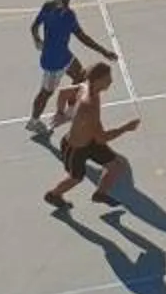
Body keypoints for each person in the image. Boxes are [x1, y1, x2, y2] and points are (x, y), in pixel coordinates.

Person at [27, 0, 119, 136]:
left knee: (80, 74)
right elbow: (82, 37)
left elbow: (34, 26)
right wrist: (104, 52)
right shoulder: (68, 15)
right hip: (54, 62)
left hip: (63, 55)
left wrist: (37, 41)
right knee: (46, 93)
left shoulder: (48, 6)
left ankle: (69, 110)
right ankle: (34, 121)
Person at [43, 61, 140, 209]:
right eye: (108, 79)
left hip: (90, 142)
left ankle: (100, 194)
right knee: (76, 178)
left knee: (115, 166)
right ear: (98, 80)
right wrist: (126, 128)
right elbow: (102, 137)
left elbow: (63, 93)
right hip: (75, 148)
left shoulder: (86, 86)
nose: (111, 81)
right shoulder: (89, 107)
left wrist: (60, 112)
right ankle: (53, 195)